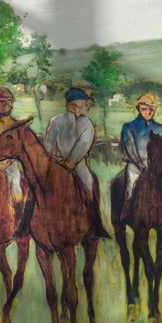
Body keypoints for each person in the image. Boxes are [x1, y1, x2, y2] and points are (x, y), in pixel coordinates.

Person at [44, 87, 110, 238]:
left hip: (77, 164)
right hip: (58, 163)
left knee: (88, 182)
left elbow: (84, 144)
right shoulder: (56, 121)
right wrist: (56, 158)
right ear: (71, 105)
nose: (86, 108)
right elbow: (48, 143)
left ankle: (94, 223)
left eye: (85, 105)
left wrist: (72, 161)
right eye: (83, 105)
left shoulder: (86, 123)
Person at [120, 92, 162, 206]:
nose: (149, 111)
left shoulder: (160, 128)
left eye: (151, 109)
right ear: (138, 109)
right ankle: (126, 209)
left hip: (156, 167)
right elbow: (130, 149)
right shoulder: (129, 127)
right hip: (136, 165)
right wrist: (141, 164)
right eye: (145, 108)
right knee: (131, 184)